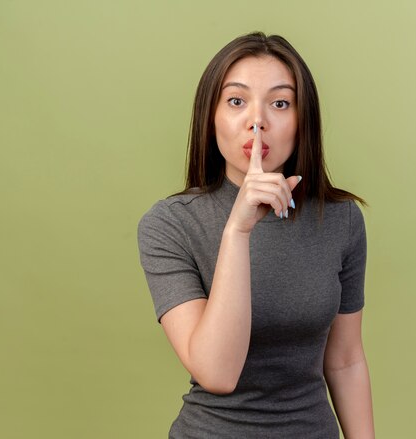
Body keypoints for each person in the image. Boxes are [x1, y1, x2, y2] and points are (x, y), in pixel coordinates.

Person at [138, 31, 375, 439]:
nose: (257, 120)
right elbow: (216, 372)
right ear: (211, 116)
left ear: (303, 120)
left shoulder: (341, 220)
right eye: (236, 100)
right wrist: (238, 228)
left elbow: (346, 360)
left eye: (280, 103)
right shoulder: (170, 224)